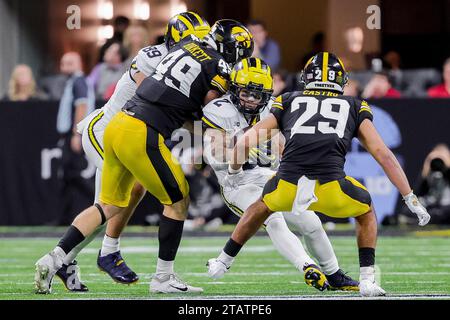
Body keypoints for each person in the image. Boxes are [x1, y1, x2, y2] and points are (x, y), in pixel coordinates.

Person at [34, 18, 253, 295]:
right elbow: (210, 110)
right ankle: (163, 278)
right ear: (230, 48)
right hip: (142, 132)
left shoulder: (179, 50)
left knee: (108, 206)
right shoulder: (217, 65)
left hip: (119, 125)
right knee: (179, 198)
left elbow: (173, 97)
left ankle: (54, 258)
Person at [207, 52, 431, 297]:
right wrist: (410, 198)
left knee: (262, 208)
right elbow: (384, 155)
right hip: (331, 185)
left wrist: (232, 170)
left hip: (285, 183)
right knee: (365, 210)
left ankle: (223, 260)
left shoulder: (289, 100)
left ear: (306, 78)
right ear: (341, 80)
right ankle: (366, 279)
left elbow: (244, 143)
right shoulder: (354, 105)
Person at [203, 57, 358, 291]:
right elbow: (216, 155)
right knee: (272, 218)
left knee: (311, 221)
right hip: (237, 182)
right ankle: (307, 266)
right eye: (246, 93)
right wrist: (242, 149)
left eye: (258, 95)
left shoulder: (273, 107)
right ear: (235, 88)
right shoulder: (217, 110)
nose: (251, 100)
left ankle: (334, 274)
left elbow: (283, 146)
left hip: (270, 175)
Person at [55, 52, 95, 229]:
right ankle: (65, 218)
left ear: (79, 64)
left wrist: (76, 134)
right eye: (63, 63)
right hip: (71, 135)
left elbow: (81, 105)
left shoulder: (78, 81)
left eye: (69, 63)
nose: (65, 67)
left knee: (74, 176)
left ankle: (102, 209)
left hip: (75, 134)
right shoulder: (73, 82)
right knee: (68, 177)